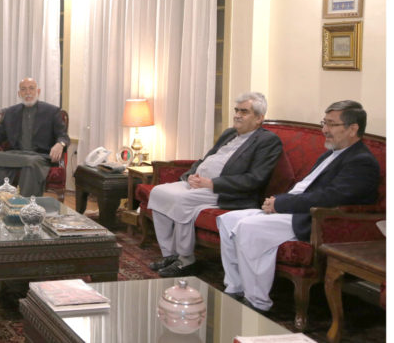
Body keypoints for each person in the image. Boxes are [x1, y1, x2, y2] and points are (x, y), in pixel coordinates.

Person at [217, 100, 379, 312]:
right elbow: (305, 188)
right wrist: (278, 201)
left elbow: (329, 198)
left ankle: (256, 302)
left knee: (248, 228)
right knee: (227, 220)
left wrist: (281, 203)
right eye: (324, 123)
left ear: (353, 128)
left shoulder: (361, 161)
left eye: (331, 124)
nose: (324, 130)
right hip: (292, 208)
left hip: (314, 219)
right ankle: (235, 288)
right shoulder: (331, 153)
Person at [147, 92, 283, 278]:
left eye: (244, 112)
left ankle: (186, 260)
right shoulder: (229, 133)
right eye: (236, 110)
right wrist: (190, 175)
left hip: (225, 191)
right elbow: (206, 159)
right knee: (158, 192)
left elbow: (255, 179)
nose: (237, 115)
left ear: (259, 118)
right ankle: (171, 255)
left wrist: (212, 183)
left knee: (182, 200)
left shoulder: (268, 141)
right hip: (199, 184)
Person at [0, 77, 70, 198]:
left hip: (39, 157)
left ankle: (24, 205)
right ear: (19, 93)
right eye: (23, 89)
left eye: (31, 88)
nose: (28, 92)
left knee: (30, 163)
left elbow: (63, 136)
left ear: (38, 91)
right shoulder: (10, 112)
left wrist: (60, 144)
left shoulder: (52, 111)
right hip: (15, 154)